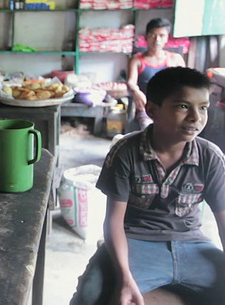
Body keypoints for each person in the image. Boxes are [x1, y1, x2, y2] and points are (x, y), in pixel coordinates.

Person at [70, 67, 225, 305]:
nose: (196, 117)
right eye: (183, 106)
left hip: (192, 243)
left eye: (203, 107)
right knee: (90, 296)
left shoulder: (210, 157)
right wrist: (124, 276)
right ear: (153, 110)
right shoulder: (126, 152)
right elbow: (113, 221)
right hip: (136, 243)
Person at [127, 18, 186, 130]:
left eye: (161, 36)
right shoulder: (137, 60)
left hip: (173, 109)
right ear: (146, 37)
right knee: (150, 131)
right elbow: (131, 82)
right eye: (152, 35)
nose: (157, 40)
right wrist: (136, 92)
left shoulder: (175, 59)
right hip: (149, 109)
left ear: (167, 38)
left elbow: (186, 84)